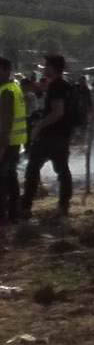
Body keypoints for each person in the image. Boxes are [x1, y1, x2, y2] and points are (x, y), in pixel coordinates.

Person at [23, 54, 80, 218]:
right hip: (62, 135)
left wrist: (39, 126)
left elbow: (58, 112)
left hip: (50, 135)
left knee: (33, 169)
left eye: (46, 66)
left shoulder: (57, 86)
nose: (43, 69)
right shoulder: (65, 85)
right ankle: (63, 206)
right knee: (62, 171)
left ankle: (26, 206)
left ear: (53, 68)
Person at [0, 59, 24, 224]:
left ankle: (3, 215)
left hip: (6, 143)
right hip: (14, 142)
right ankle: (14, 213)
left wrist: (1, 146)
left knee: (3, 178)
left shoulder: (7, 91)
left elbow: (5, 122)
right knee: (10, 177)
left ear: (6, 70)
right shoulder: (14, 87)